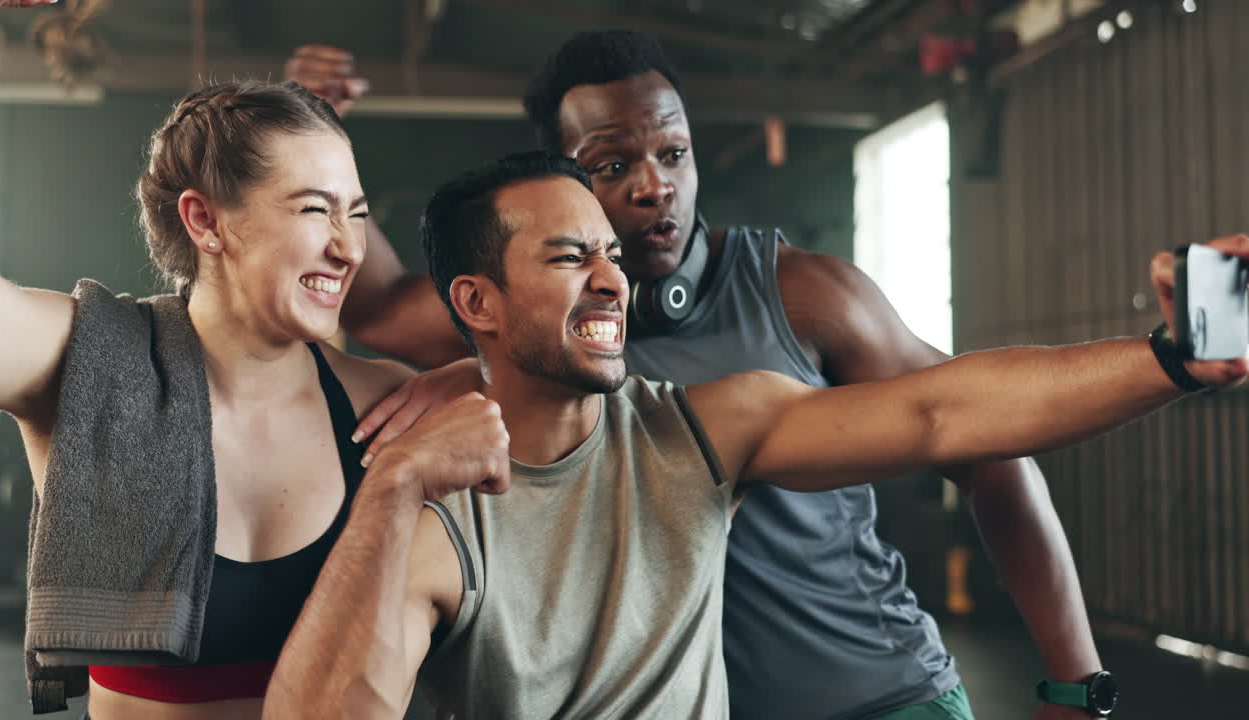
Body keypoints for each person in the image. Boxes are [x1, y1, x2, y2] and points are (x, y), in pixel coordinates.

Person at [289, 32, 1107, 719]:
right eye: (611, 167)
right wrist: (311, 130)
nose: (654, 186)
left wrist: (1077, 684)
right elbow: (383, 308)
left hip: (883, 697)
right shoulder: (546, 315)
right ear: (564, 185)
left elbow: (979, 439)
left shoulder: (804, 294)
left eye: (673, 153)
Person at [0, 35, 499, 716]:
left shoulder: (384, 403)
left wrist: (479, 379)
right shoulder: (84, 362)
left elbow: (583, 402)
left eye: (357, 215)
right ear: (205, 220)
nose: (348, 248)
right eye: (315, 209)